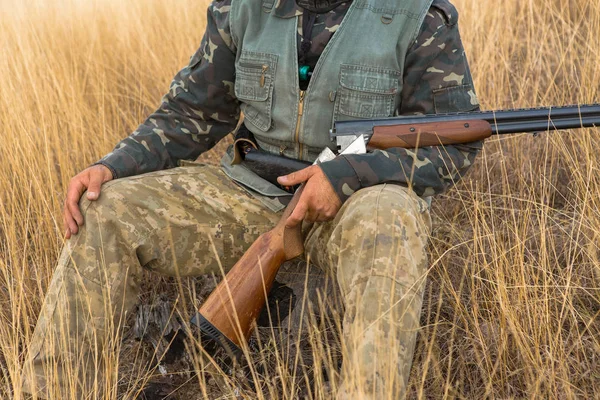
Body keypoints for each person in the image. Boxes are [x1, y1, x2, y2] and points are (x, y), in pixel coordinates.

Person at [22, 0, 481, 398]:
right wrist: (113, 165)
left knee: (392, 218)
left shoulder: (419, 15)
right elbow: (192, 111)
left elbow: (453, 144)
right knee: (103, 210)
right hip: (247, 189)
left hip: (357, 203)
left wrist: (348, 176)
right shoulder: (239, 8)